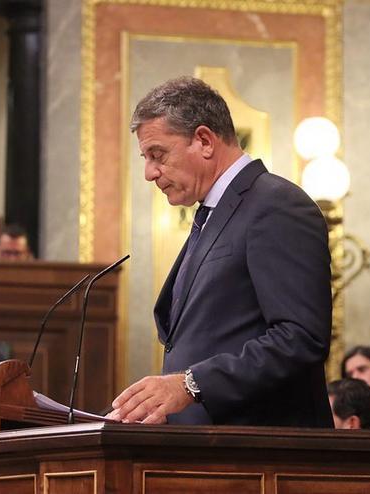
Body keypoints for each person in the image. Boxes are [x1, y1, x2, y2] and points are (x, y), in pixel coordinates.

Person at [107, 77, 332, 427]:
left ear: (204, 140)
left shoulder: (276, 206)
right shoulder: (214, 213)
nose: (150, 172)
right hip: (211, 451)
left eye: (157, 155)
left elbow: (300, 338)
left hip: (262, 457)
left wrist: (191, 385)